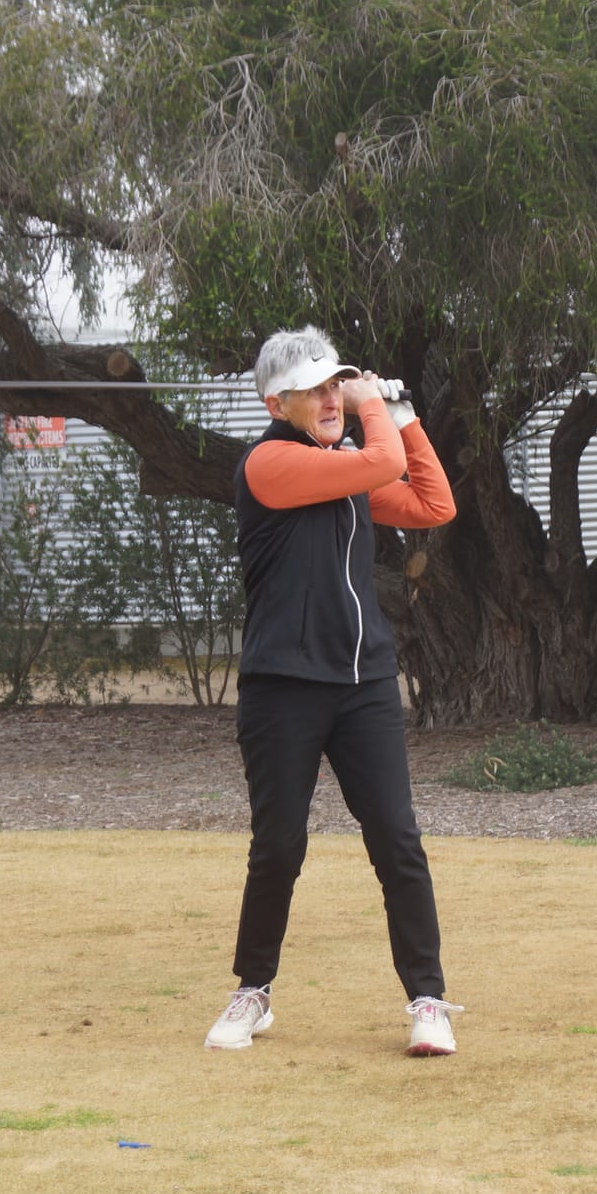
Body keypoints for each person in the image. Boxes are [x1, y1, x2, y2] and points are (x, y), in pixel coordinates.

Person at [204, 326, 462, 1057]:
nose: (328, 400)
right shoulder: (269, 464)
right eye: (313, 391)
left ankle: (428, 1000)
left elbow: (434, 504)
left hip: (362, 684)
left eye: (332, 386)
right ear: (275, 404)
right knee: (279, 846)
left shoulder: (349, 467)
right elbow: (379, 462)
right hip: (284, 687)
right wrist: (370, 402)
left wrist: (403, 414)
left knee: (397, 839)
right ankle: (253, 990)